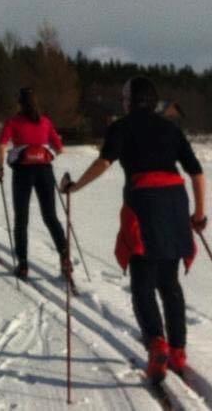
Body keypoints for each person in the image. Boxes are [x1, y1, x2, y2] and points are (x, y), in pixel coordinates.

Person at [60, 76, 205, 382]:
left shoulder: (121, 127)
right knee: (170, 283)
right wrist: (200, 213)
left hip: (144, 207)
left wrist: (74, 187)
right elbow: (196, 172)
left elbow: (103, 162)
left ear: (128, 101)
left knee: (142, 284)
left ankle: (156, 345)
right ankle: (178, 352)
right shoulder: (171, 128)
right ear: (153, 101)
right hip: (176, 206)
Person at [0, 87, 69, 280]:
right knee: (51, 216)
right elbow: (60, 149)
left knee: (21, 218)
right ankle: (65, 258)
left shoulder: (13, 122)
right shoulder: (45, 121)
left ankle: (23, 264)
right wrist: (46, 153)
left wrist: (0, 168)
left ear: (19, 103)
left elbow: (2, 145)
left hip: (22, 172)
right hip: (44, 171)